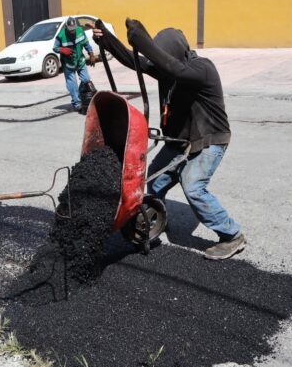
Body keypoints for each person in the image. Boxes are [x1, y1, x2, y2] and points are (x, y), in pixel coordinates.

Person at [93, 18, 245, 260]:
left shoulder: (202, 69)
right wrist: (108, 41)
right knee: (156, 182)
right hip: (179, 140)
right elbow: (136, 62)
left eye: (163, 59)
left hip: (209, 139)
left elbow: (177, 70)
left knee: (193, 185)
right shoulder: (169, 71)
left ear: (175, 55)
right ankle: (153, 221)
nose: (159, 67)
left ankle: (232, 235)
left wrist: (143, 41)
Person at [53, 17, 96, 112]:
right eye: (70, 30)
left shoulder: (80, 31)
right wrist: (63, 50)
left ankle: (80, 94)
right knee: (73, 85)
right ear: (66, 27)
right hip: (68, 64)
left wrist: (91, 53)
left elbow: (86, 43)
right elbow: (55, 48)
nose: (72, 32)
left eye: (74, 29)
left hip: (80, 61)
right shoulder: (61, 35)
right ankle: (76, 102)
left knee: (86, 80)